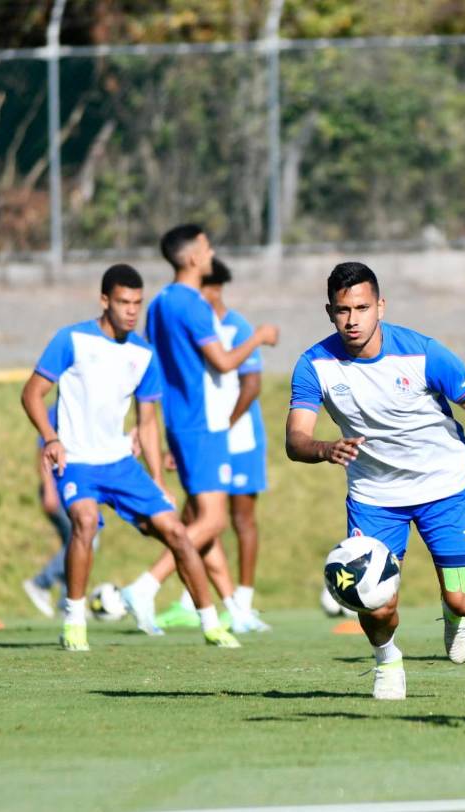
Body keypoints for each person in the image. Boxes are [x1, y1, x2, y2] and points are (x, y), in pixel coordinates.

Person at [286, 262, 465, 700]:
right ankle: (387, 662)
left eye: (362, 307)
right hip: (374, 497)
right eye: (343, 310)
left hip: (445, 489)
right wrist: (325, 449)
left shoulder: (424, 354)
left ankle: (455, 615)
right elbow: (295, 439)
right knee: (373, 600)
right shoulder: (315, 365)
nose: (353, 319)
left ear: (380, 305)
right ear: (330, 311)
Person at [19, 264, 240, 650]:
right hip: (79, 462)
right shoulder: (70, 340)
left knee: (177, 533)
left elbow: (148, 422)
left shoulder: (142, 353)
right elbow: (31, 393)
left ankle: (211, 623)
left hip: (121, 465)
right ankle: (73, 621)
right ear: (105, 300)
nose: (131, 311)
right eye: (123, 302)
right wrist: (51, 439)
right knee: (85, 523)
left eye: (137, 303)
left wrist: (157, 479)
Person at [121, 225, 278, 635]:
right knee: (211, 522)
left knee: (202, 522)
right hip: (204, 424)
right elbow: (225, 363)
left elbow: (147, 364)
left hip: (176, 422)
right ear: (192, 257)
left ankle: (233, 608)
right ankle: (145, 585)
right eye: (207, 247)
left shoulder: (157, 305)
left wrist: (146, 422)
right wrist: (260, 336)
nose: (211, 253)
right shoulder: (193, 305)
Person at [22, 404, 102, 617]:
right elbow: (43, 450)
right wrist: (49, 489)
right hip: (59, 490)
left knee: (78, 540)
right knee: (88, 538)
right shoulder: (59, 409)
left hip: (77, 487)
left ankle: (66, 603)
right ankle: (41, 582)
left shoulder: (91, 407)